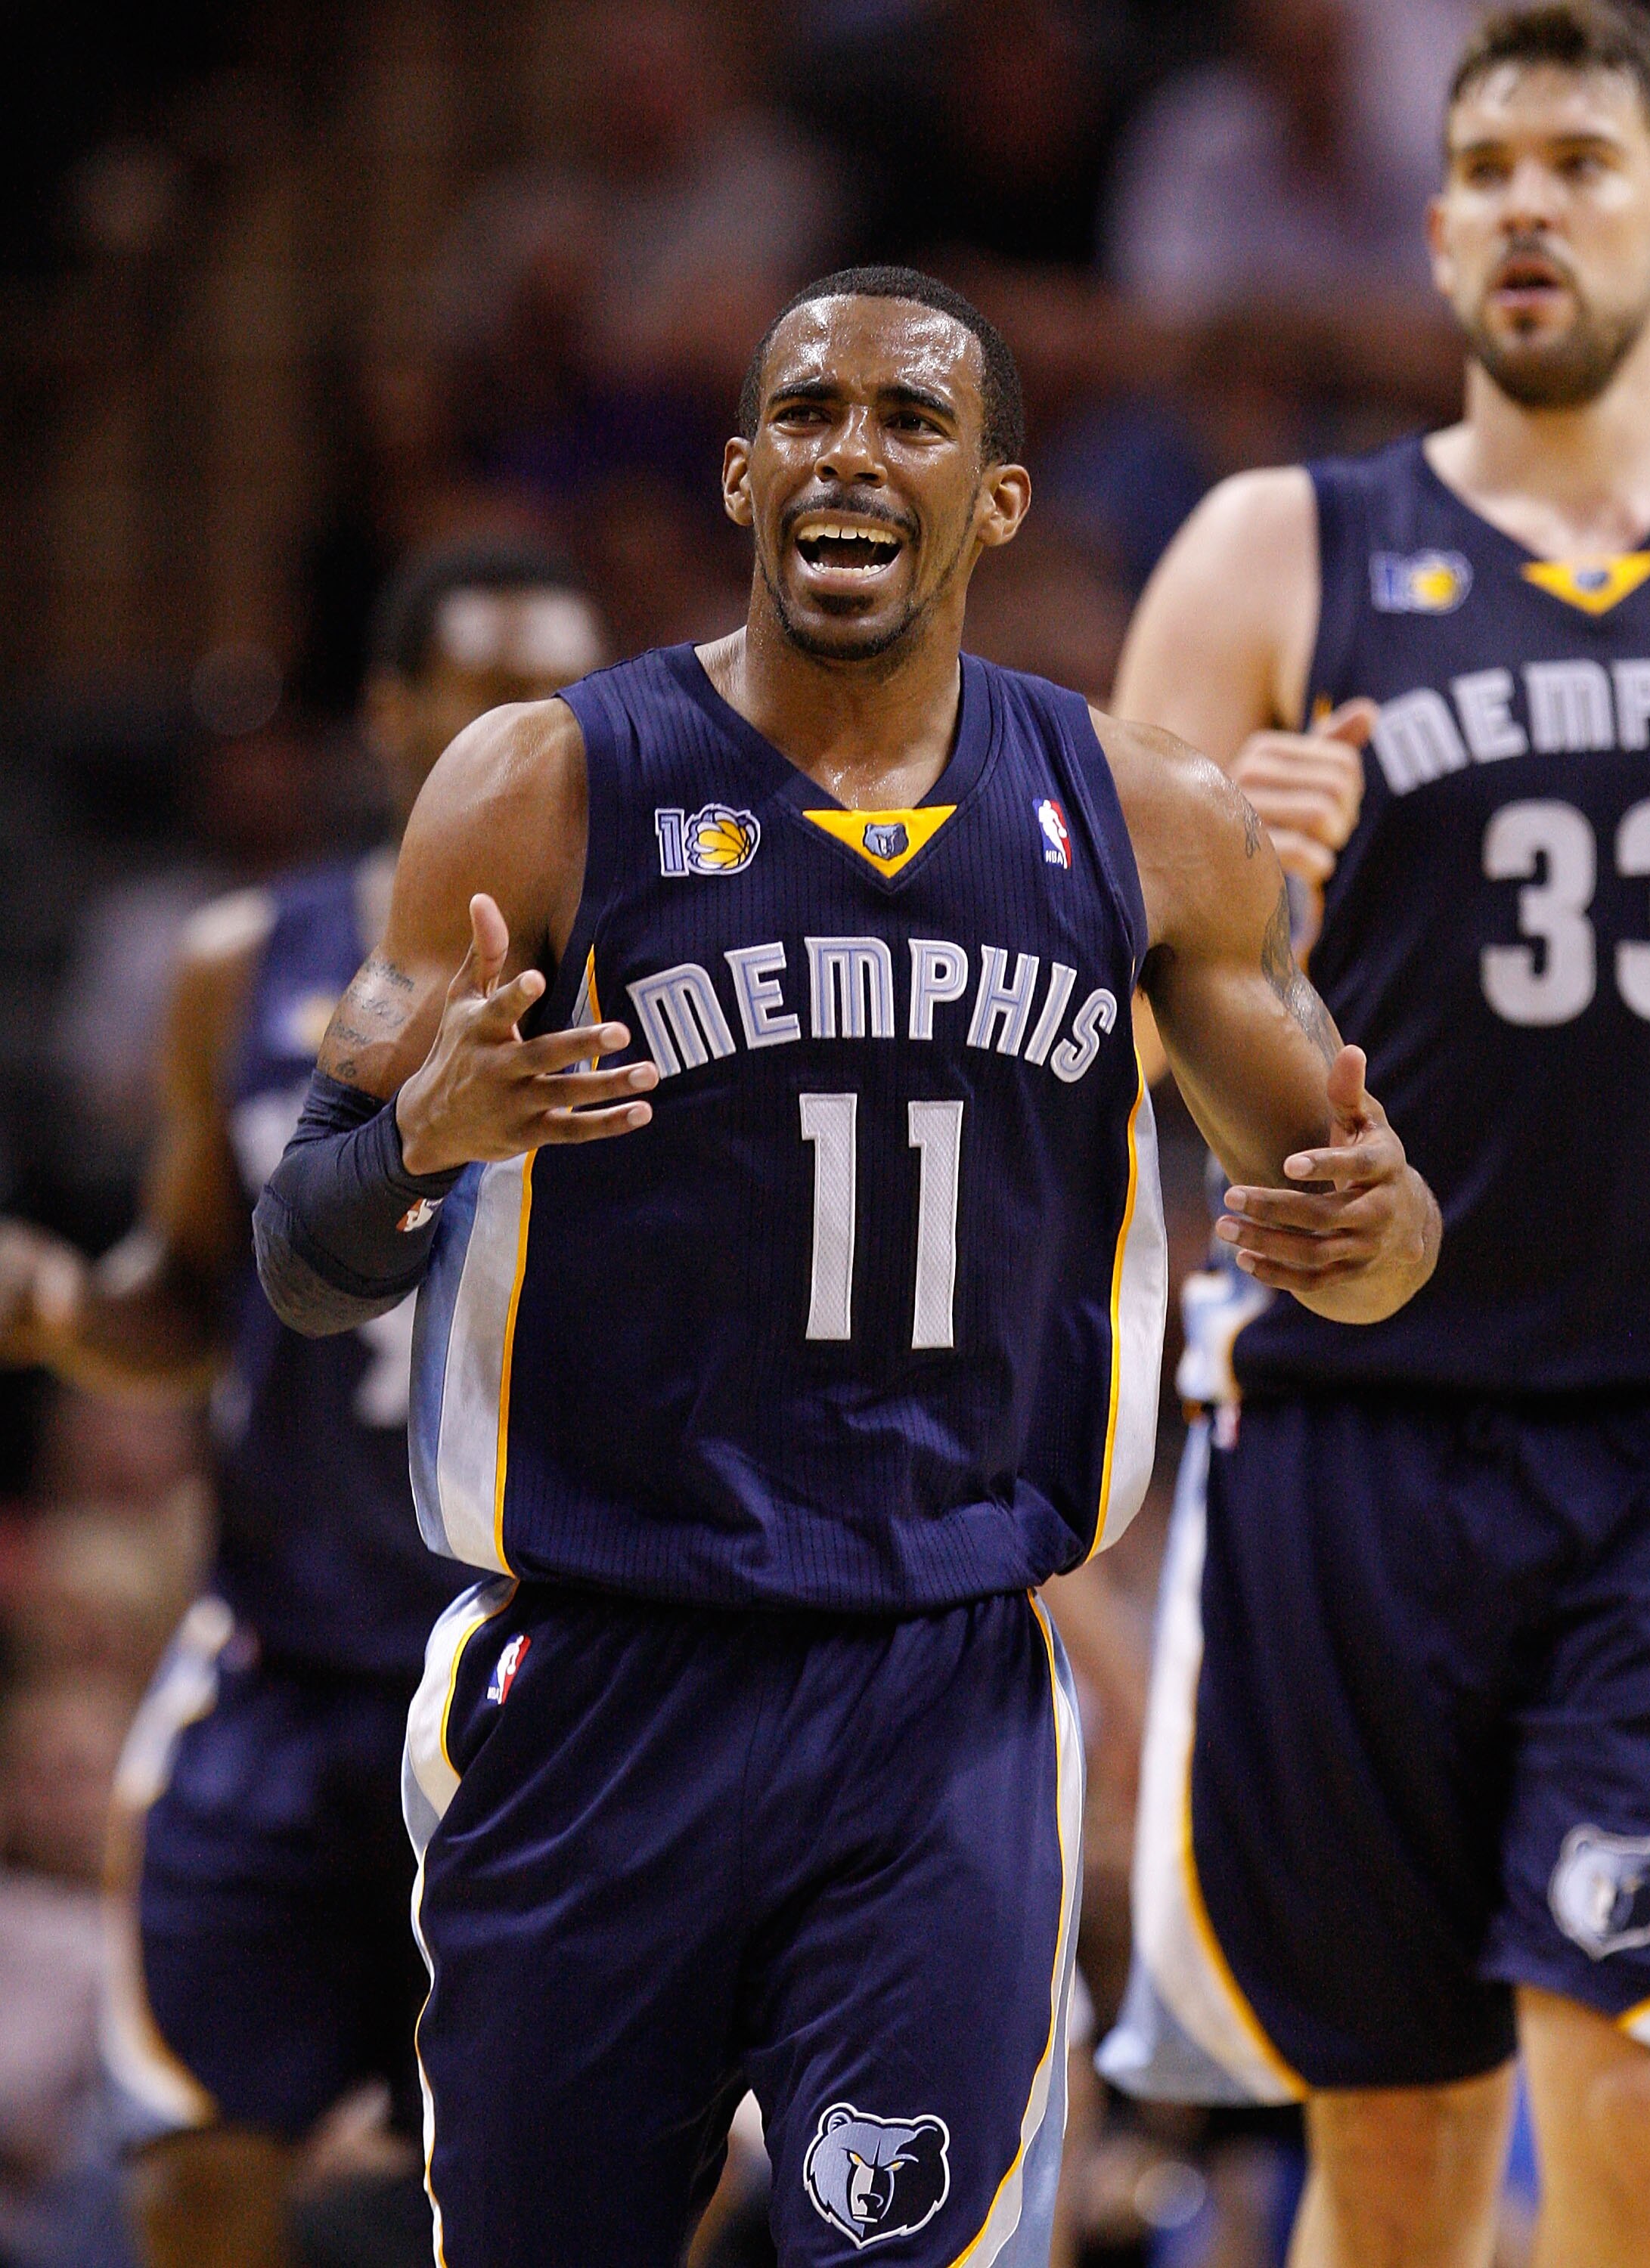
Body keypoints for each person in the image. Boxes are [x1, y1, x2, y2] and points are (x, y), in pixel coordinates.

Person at [248, 262, 1437, 2268]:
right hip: (597, 1666)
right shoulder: (542, 788)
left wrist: (1380, 1233)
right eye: (804, 415)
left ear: (994, 500)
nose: (847, 454)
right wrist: (419, 1144)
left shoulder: (1145, 824)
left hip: (937, 1689)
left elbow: (1357, 1238)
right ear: (735, 474)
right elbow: (302, 1258)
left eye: (905, 421)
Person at [1098, 8, 1650, 2266]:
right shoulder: (1270, 549)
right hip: (1342, 1426)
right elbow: (1062, 998)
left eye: (1576, 162)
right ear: (1426, 231)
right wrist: (1242, 888)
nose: (1519, 202)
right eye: (1481, 165)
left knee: (1622, 2083)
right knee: (1384, 2153)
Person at [0, 538, 607, 2268]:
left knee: (525, 2192)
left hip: (521, 1668)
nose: (517, 742)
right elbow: (183, 1311)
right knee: (193, 2166)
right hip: (279, 1656)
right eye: (479, 701)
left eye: (553, 705)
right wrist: (57, 1308)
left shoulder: (663, 976)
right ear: (391, 719)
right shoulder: (242, 961)